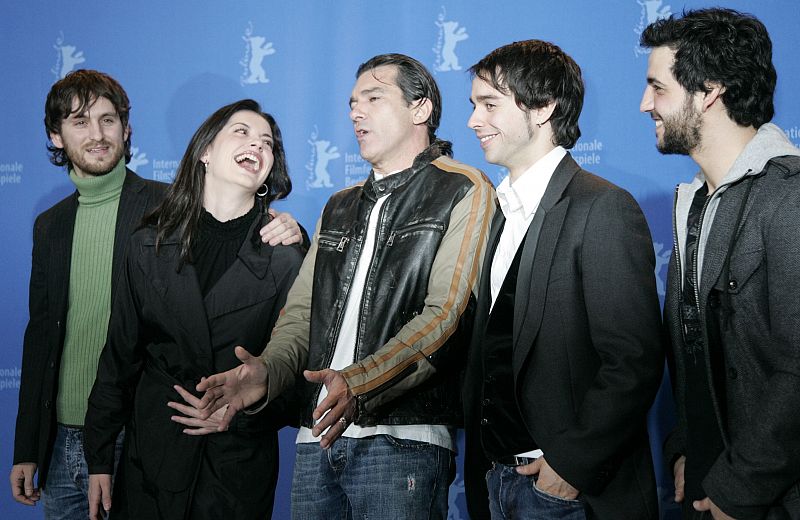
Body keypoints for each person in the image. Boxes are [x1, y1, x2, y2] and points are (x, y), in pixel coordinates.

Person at [194, 53, 494, 519]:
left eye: (373, 98)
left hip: (402, 440)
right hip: (316, 439)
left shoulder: (464, 188)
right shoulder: (339, 205)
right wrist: (267, 373)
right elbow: (300, 316)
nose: (356, 112)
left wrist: (359, 382)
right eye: (352, 102)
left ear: (421, 109)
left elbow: (446, 316)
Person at [9, 71, 302, 520]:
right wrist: (61, 450)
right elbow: (77, 345)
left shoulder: (274, 249)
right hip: (114, 447)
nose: (97, 134)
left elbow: (298, 361)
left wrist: (243, 409)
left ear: (126, 130)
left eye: (108, 120)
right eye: (80, 122)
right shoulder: (86, 230)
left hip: (209, 457)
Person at [462, 40, 664, 519]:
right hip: (494, 484)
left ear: (543, 107)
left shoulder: (603, 207)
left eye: (489, 104)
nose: (473, 120)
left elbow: (632, 361)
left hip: (567, 493)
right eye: (474, 105)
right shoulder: (495, 214)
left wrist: (569, 468)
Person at [640, 8, 800, 519]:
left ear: (709, 92)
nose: (645, 104)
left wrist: (741, 486)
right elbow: (696, 348)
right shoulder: (694, 203)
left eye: (658, 88)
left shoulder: (789, 197)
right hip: (709, 487)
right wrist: (688, 447)